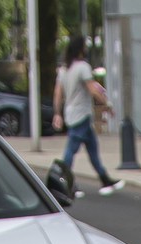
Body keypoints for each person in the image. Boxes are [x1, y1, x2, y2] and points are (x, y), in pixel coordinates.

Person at [53, 35, 116, 194]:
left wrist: (57, 113)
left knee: (92, 147)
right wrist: (106, 104)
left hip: (71, 113)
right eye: (85, 47)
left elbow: (57, 93)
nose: (86, 49)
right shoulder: (83, 67)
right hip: (81, 114)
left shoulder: (64, 69)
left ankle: (105, 178)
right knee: (71, 149)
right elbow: (92, 88)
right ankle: (61, 181)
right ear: (81, 49)